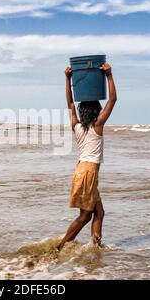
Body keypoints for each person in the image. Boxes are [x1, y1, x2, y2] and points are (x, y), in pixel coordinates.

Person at [57, 62, 117, 250]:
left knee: (99, 213)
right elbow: (113, 99)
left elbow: (69, 103)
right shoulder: (97, 126)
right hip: (89, 172)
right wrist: (109, 75)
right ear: (96, 112)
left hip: (82, 171)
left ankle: (95, 248)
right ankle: (60, 246)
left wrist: (67, 79)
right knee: (85, 216)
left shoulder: (76, 126)